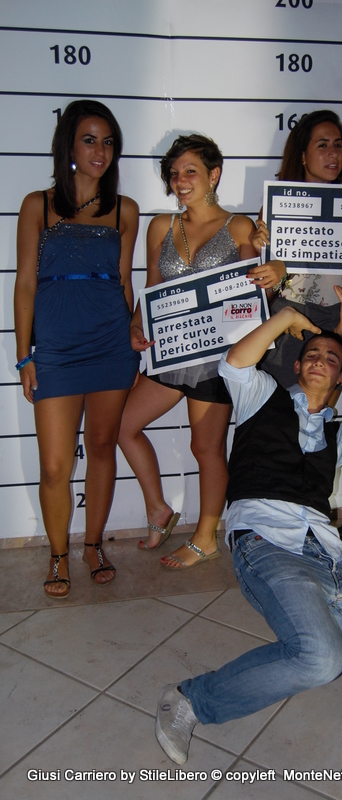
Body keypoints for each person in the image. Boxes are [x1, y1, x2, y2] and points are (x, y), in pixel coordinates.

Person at [154, 285, 342, 765]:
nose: (319, 361)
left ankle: (322, 612)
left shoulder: (339, 434)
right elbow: (236, 363)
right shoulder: (261, 398)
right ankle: (192, 699)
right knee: (320, 660)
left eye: (332, 360)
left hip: (329, 554)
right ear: (296, 366)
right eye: (311, 355)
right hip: (263, 541)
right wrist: (288, 316)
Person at [14, 100, 140, 598]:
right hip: (57, 350)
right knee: (54, 465)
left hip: (111, 345)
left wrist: (133, 337)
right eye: (89, 140)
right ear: (68, 145)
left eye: (108, 142)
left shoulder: (125, 210)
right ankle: (58, 553)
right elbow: (25, 285)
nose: (100, 151)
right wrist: (25, 356)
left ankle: (92, 546)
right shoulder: (37, 205)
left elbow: (124, 284)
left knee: (103, 448)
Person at [117, 134, 258, 568]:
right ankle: (158, 508)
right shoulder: (161, 226)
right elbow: (152, 288)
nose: (180, 181)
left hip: (217, 359)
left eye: (190, 171)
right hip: (172, 352)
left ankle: (205, 537)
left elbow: (255, 290)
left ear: (214, 174)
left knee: (206, 449)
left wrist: (268, 258)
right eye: (174, 173)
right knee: (122, 426)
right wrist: (137, 323)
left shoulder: (240, 226)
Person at [251, 109, 342, 388]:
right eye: (322, 145)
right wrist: (258, 245)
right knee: (280, 404)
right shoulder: (278, 202)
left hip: (334, 314)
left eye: (338, 145)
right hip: (287, 312)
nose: (333, 154)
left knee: (320, 405)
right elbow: (263, 280)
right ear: (303, 155)